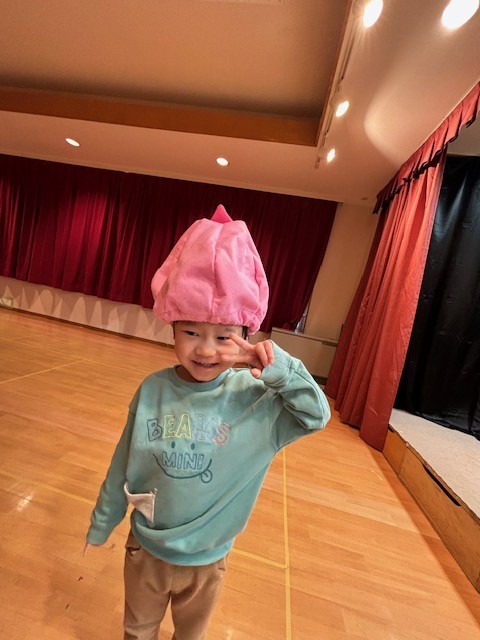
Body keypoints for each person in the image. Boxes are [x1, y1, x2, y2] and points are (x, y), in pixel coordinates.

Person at [85, 204, 331, 640]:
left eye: (223, 336)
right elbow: (122, 462)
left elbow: (316, 415)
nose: (206, 349)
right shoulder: (152, 391)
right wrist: (103, 521)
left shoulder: (259, 400)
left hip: (208, 560)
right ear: (171, 328)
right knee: (137, 631)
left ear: (247, 335)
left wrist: (279, 368)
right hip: (146, 549)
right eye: (191, 332)